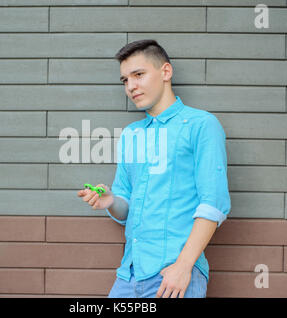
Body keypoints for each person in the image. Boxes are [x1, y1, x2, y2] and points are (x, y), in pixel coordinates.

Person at [77, 39, 231, 298]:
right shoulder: (130, 135)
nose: (131, 86)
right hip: (128, 276)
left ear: (165, 72)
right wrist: (111, 200)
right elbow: (125, 208)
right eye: (125, 80)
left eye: (138, 75)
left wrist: (183, 267)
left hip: (174, 275)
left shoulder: (201, 125)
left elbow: (213, 203)